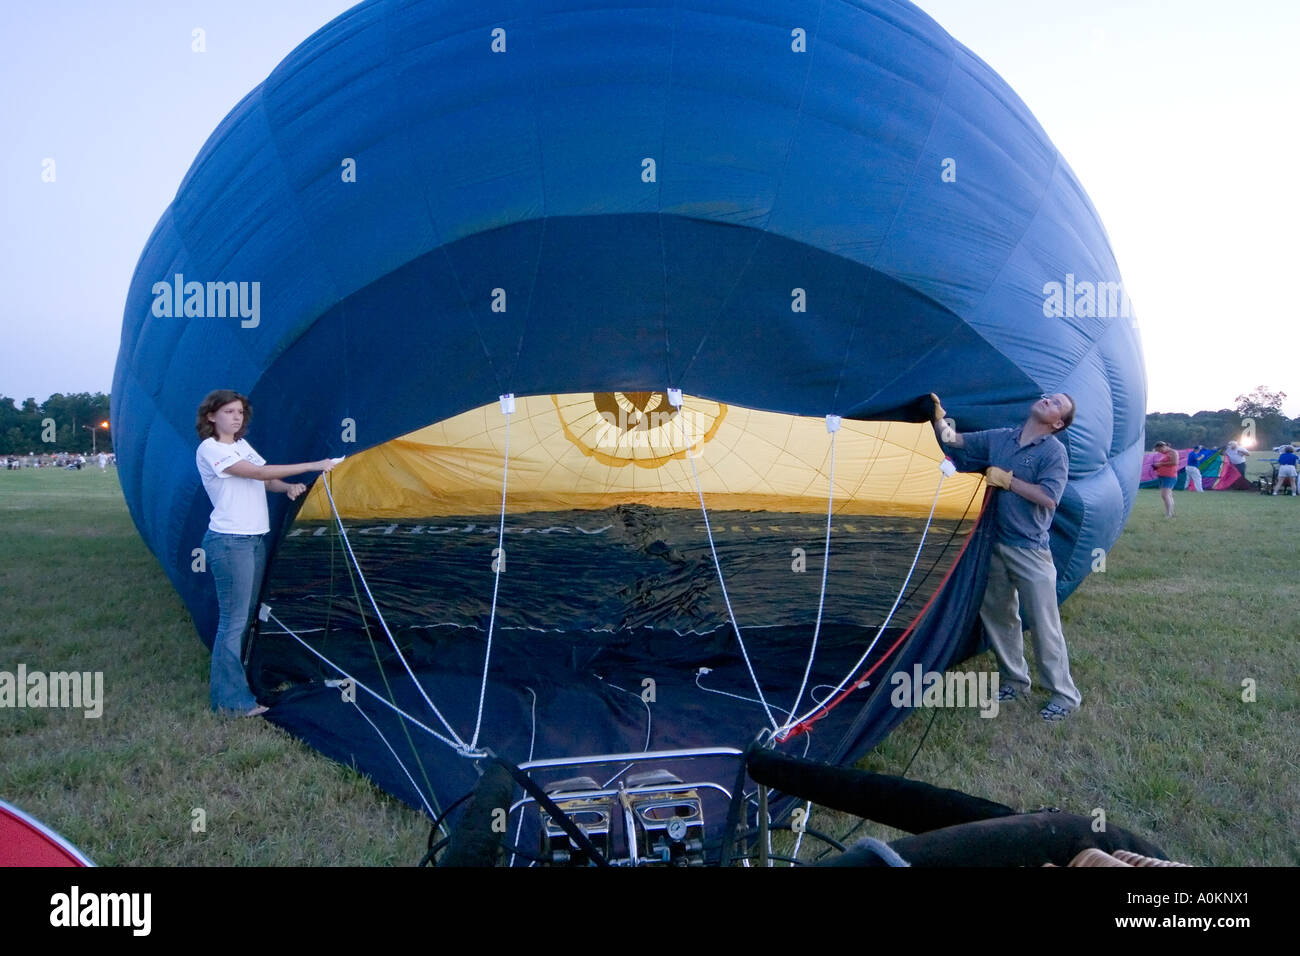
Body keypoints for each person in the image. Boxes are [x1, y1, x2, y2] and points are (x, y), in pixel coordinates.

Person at [930, 392, 1082, 721]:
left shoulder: (1053, 452)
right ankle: (1015, 680)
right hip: (993, 544)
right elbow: (954, 440)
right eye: (1049, 397)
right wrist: (937, 415)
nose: (1047, 400)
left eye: (1056, 403)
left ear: (1058, 423)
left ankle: (1064, 695)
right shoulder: (1001, 438)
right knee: (1000, 617)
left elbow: (1049, 498)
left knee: (1044, 624)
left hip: (1030, 549)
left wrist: (1008, 481)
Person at [196, 389, 338, 716]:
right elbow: (258, 473)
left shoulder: (241, 446)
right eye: (229, 412)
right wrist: (316, 464)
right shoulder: (210, 448)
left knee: (244, 617)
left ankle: (240, 684)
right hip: (230, 541)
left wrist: (287, 487)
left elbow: (265, 481)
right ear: (211, 416)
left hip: (254, 539)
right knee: (233, 622)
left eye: (240, 412)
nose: (236, 417)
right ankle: (230, 702)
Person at [1152, 441, 1178, 517]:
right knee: (1168, 495)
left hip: (1169, 476)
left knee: (1165, 495)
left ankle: (1168, 513)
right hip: (1163, 476)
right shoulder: (1165, 454)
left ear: (1163, 446)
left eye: (1159, 450)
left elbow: (1175, 462)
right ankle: (1170, 512)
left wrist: (1160, 464)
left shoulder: (1173, 452)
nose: (1160, 452)